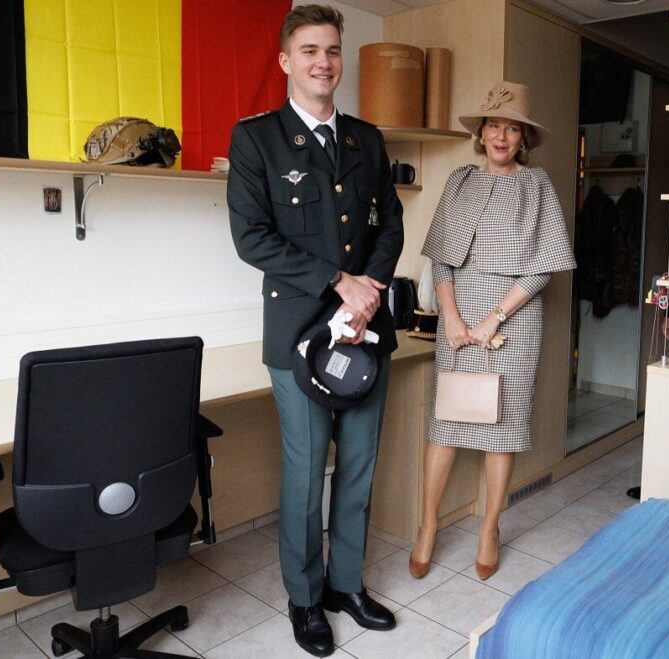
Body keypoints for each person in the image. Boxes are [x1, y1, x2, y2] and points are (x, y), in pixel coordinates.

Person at [227, 5, 403, 656]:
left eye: (331, 49)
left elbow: (391, 226)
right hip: (298, 331)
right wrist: (339, 282)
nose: (323, 62)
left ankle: (344, 585)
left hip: (365, 330)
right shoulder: (257, 140)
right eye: (309, 50)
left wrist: (368, 294)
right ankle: (305, 599)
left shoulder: (367, 139)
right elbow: (252, 238)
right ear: (285, 61)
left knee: (357, 466)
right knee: (305, 474)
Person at [414, 82, 576, 581]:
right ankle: (427, 526)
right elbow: (442, 259)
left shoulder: (538, 185)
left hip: (514, 319)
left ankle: (489, 527)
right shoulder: (459, 181)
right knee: (447, 424)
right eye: (493, 125)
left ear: (522, 138)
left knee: (500, 429)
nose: (501, 135)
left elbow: (544, 267)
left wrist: (492, 319)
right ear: (481, 134)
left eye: (511, 127)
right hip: (458, 318)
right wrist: (456, 320)